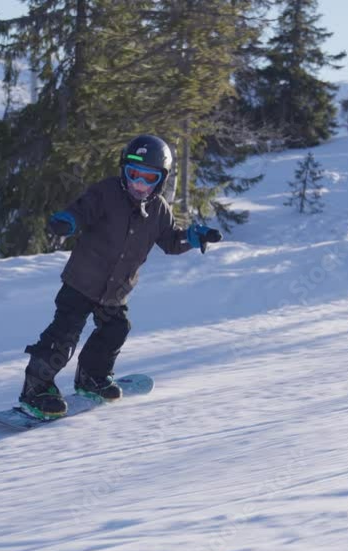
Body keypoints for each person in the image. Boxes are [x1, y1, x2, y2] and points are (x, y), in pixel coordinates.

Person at [18, 134, 223, 420]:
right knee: (63, 335)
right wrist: (68, 220)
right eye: (133, 174)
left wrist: (193, 236)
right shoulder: (106, 193)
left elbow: (172, 242)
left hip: (115, 291)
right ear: (123, 169)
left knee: (116, 330)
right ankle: (36, 389)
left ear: (160, 180)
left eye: (148, 178)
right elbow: (82, 209)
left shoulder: (159, 210)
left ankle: (92, 376)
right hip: (81, 281)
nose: (139, 184)